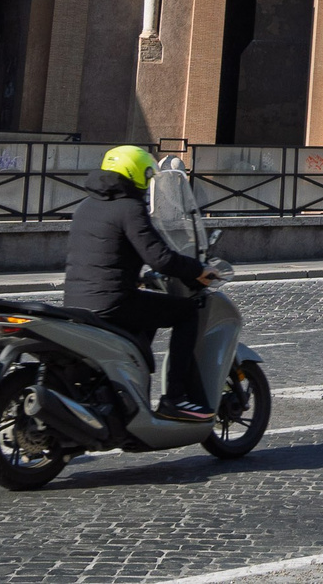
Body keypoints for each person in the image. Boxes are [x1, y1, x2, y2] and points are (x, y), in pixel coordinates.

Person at [66, 145, 214, 420]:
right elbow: (160, 258)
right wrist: (197, 270)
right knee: (185, 313)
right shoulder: (129, 207)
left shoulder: (86, 206)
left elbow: (110, 253)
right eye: (148, 176)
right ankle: (175, 398)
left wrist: (136, 279)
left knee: (147, 311)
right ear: (136, 174)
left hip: (76, 301)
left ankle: (132, 390)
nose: (148, 184)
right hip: (112, 301)